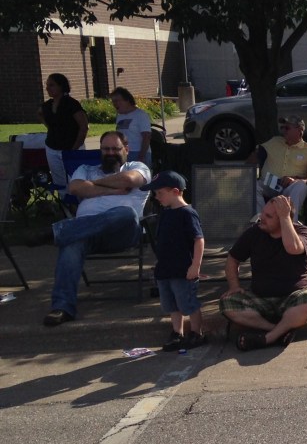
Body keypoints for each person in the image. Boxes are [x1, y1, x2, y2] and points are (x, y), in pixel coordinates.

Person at [31, 131, 150, 327]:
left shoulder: (138, 167)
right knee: (72, 243)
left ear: (126, 150)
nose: (110, 153)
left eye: (115, 149)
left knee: (126, 213)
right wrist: (110, 187)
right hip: (87, 234)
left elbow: (128, 180)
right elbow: (76, 188)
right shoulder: (85, 168)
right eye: (105, 149)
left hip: (123, 233)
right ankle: (62, 308)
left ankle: (57, 232)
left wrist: (93, 185)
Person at [222, 194, 307, 351]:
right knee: (227, 303)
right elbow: (233, 259)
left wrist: (285, 217)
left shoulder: (304, 232)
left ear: (284, 218)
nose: (261, 218)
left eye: (268, 216)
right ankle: (277, 330)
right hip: (261, 299)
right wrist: (234, 286)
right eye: (263, 213)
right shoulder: (254, 233)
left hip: (291, 300)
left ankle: (267, 339)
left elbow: (293, 249)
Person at [141, 170, 205, 351]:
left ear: (176, 192)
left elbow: (198, 239)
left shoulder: (187, 213)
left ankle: (197, 332)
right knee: (171, 304)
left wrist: (196, 265)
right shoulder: (166, 213)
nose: (157, 197)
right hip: (165, 269)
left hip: (183, 269)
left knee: (188, 302)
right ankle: (177, 332)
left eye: (160, 193)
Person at [255, 114, 307, 218]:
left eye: (287, 127)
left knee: (301, 186)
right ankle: (262, 220)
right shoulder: (275, 141)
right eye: (282, 127)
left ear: (299, 130)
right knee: (253, 186)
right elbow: (255, 153)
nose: (283, 130)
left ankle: (291, 224)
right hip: (268, 183)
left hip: (289, 187)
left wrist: (298, 179)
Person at [39, 72, 88, 187]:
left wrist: (74, 149)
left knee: (75, 178)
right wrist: (51, 128)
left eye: (51, 85)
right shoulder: (47, 105)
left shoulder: (71, 103)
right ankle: (63, 202)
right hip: (52, 147)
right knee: (59, 180)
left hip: (72, 147)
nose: (48, 88)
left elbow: (84, 126)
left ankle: (77, 203)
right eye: (47, 85)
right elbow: (40, 114)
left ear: (61, 86)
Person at [111, 87, 153, 166]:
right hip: (124, 153)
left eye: (117, 101)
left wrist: (141, 156)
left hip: (138, 152)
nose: (114, 104)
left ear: (127, 100)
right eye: (113, 101)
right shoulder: (120, 117)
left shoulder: (140, 115)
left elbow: (146, 136)